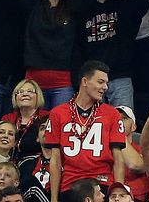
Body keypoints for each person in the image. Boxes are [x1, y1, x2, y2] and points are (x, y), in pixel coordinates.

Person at [43, 61, 128, 202]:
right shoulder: (58, 113)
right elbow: (56, 159)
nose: (105, 87)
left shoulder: (112, 113)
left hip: (102, 182)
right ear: (85, 81)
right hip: (70, 185)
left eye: (106, 83)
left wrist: (117, 193)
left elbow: (118, 157)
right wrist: (53, 198)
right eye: (100, 82)